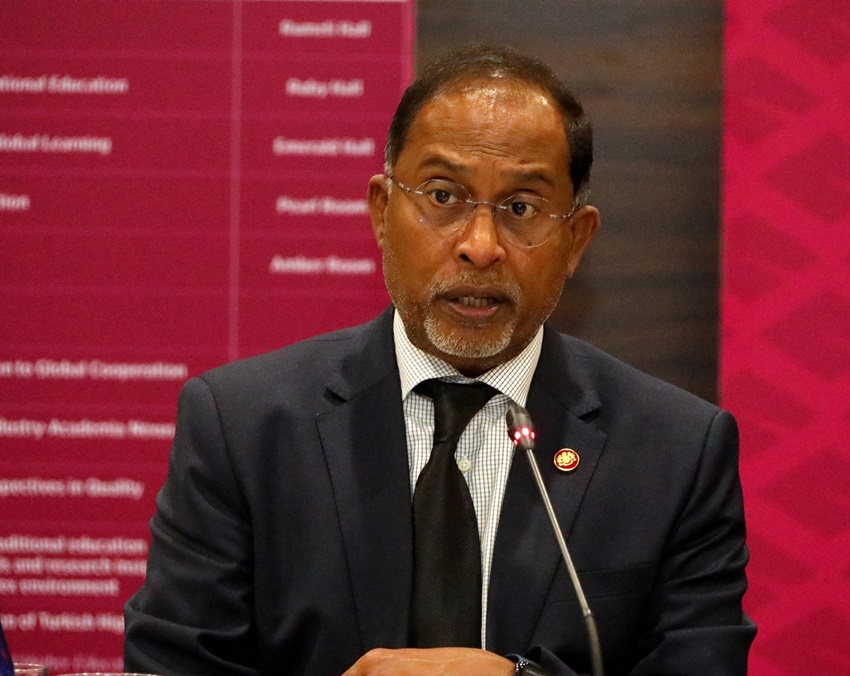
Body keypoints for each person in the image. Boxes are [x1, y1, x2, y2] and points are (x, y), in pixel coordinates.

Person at [124, 43, 755, 675]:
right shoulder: (242, 428)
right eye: (444, 196)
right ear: (381, 212)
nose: (480, 246)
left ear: (575, 240)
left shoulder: (675, 452)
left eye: (521, 208)